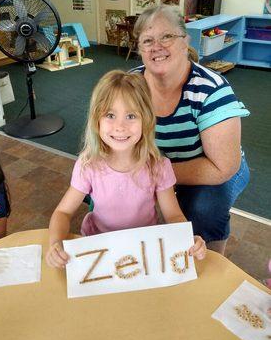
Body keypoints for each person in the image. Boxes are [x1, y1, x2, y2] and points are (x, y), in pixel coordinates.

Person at [46, 70, 206, 268]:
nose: (120, 126)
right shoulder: (88, 165)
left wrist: (187, 239)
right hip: (99, 248)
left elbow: (173, 215)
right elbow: (63, 212)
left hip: (142, 251)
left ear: (146, 120)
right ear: (96, 120)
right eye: (110, 115)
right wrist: (55, 243)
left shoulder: (159, 166)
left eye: (131, 116)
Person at [131, 4, 250, 255]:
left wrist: (153, 177)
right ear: (140, 49)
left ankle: (213, 258)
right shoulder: (131, 85)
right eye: (148, 40)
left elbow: (223, 167)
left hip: (217, 168)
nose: (157, 46)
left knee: (201, 209)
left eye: (167, 37)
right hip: (157, 166)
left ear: (185, 41)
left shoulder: (211, 89)